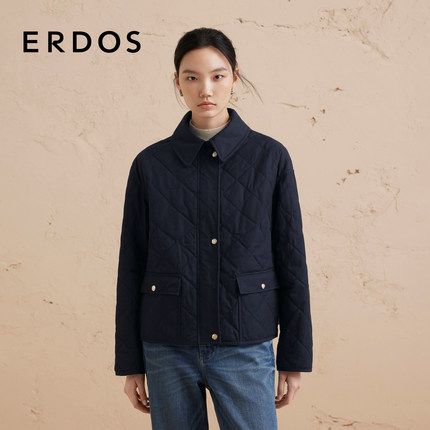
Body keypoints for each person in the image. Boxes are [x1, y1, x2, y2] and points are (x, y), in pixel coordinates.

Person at [114, 27, 313, 430]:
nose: (205, 89)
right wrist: (130, 362)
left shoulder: (270, 158)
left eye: (218, 76)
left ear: (234, 78)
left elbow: (291, 259)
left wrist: (293, 358)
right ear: (177, 82)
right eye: (191, 77)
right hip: (167, 346)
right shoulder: (150, 164)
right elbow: (131, 264)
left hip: (245, 342)